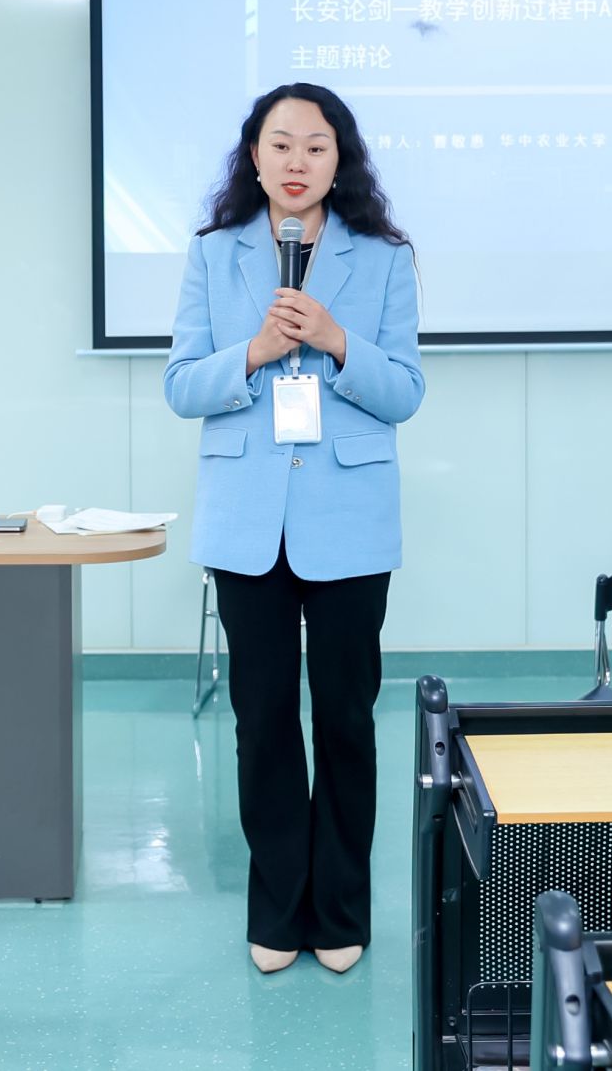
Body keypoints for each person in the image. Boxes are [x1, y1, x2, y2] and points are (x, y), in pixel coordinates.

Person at [163, 82, 424, 976]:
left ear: (339, 158)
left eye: (316, 145)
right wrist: (255, 353)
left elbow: (405, 393)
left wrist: (338, 340)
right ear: (255, 157)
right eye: (280, 145)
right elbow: (181, 386)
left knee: (347, 719)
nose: (297, 162)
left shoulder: (383, 258)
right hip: (247, 523)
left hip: (349, 519)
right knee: (263, 721)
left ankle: (341, 909)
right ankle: (277, 912)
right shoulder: (214, 253)